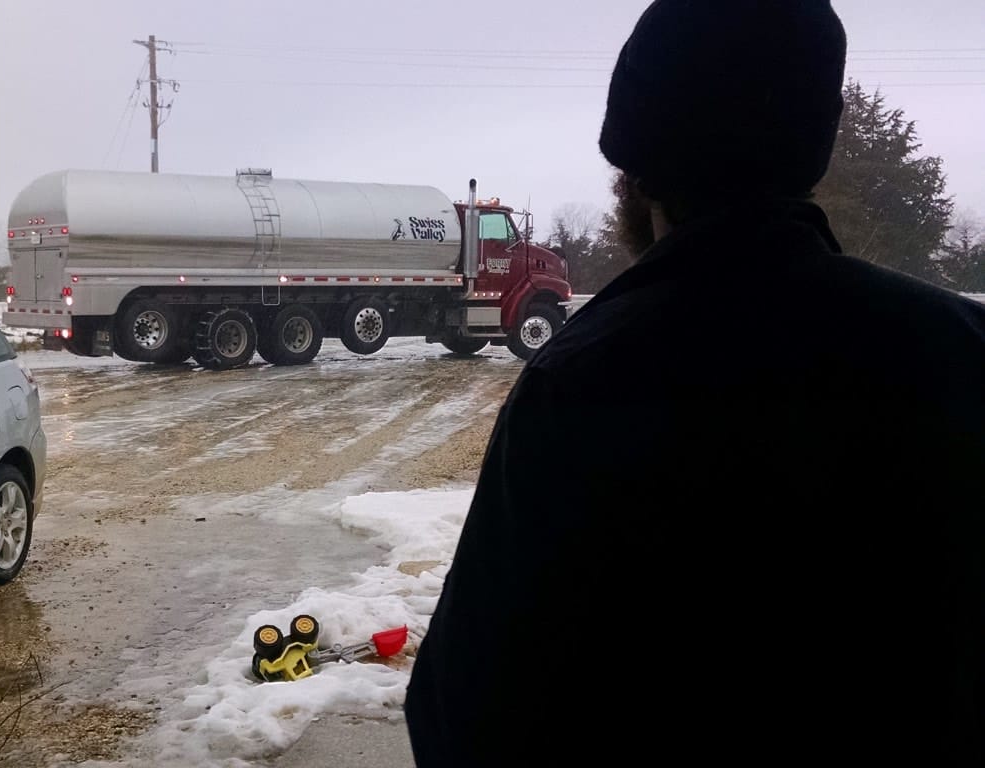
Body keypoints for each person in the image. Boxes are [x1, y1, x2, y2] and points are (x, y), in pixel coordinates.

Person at [404, 1, 985, 765]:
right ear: (816, 137)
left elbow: (466, 718)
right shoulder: (960, 354)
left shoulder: (584, 386)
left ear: (634, 169)